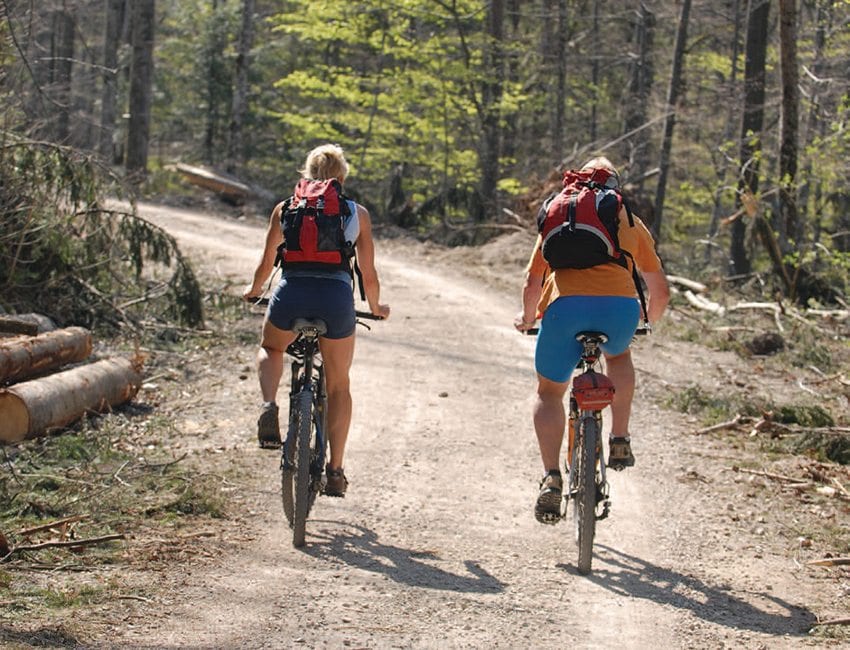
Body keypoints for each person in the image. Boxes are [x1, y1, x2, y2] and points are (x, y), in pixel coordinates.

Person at [514, 156, 669, 524]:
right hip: (619, 312)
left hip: (563, 310)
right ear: (614, 187)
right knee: (618, 358)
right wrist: (646, 321)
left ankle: (551, 477)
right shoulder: (628, 219)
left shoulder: (559, 215)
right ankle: (619, 437)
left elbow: (532, 283)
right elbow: (659, 291)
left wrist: (528, 317)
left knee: (549, 392)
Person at [244, 144, 390, 497]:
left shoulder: (286, 208)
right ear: (341, 177)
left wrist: (253, 290)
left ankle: (269, 405)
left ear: (305, 174)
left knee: (271, 346)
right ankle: (336, 471)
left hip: (290, 293)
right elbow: (368, 274)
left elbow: (266, 263)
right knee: (339, 385)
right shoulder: (357, 213)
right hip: (335, 301)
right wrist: (377, 305)